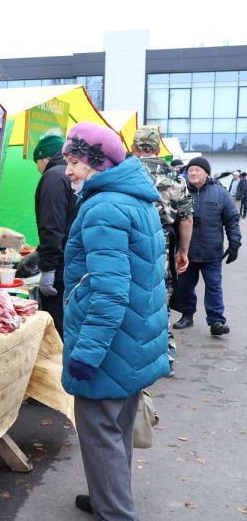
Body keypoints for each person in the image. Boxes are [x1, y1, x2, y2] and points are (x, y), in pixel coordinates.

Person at [61, 122, 169, 520]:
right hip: (133, 340)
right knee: (117, 425)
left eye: (73, 162)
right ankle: (108, 495)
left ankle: (115, 512)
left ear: (97, 162)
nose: (68, 171)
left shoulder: (104, 207)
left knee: (100, 431)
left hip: (110, 343)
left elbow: (109, 292)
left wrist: (87, 352)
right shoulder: (134, 199)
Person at [131, 125, 193, 377]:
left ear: (133, 148)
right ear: (159, 148)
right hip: (163, 243)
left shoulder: (126, 173)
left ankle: (132, 357)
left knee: (130, 297)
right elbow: (186, 219)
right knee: (160, 299)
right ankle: (165, 357)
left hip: (131, 242)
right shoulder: (176, 177)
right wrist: (183, 251)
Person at [173, 157, 241, 335]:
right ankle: (187, 315)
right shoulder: (180, 191)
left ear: (207, 173)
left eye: (197, 169)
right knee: (186, 286)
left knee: (214, 286)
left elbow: (232, 220)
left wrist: (235, 243)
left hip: (212, 252)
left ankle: (216, 321)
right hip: (186, 252)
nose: (193, 173)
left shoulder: (220, 193)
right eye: (190, 170)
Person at [32, 134, 77, 337]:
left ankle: (60, 368)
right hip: (72, 261)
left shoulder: (53, 177)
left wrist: (48, 267)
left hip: (60, 268)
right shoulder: (70, 175)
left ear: (44, 158)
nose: (37, 169)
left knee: (58, 327)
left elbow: (52, 225)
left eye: (37, 163)